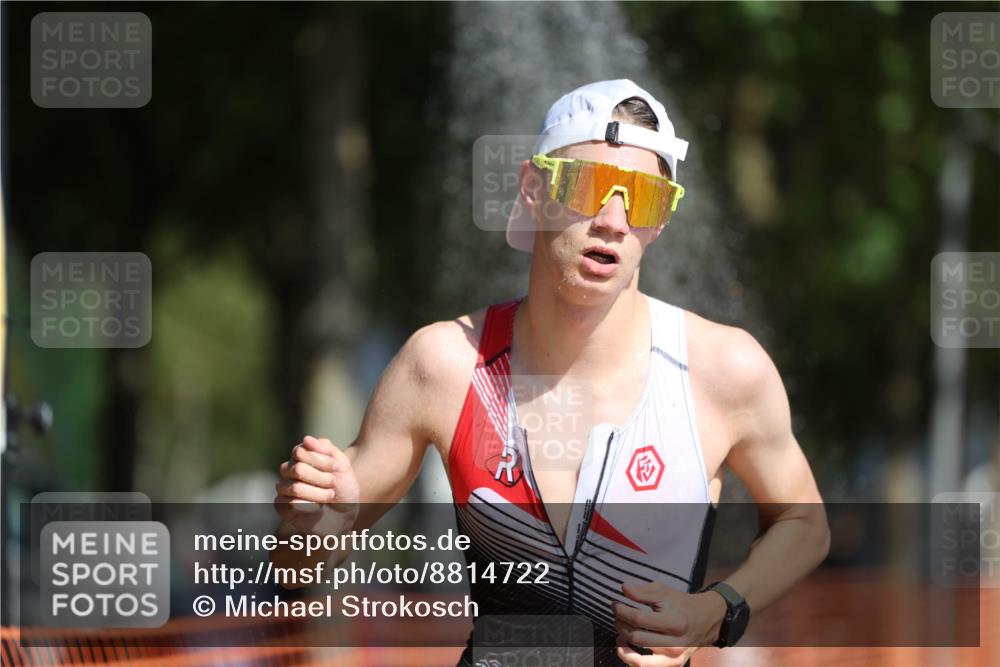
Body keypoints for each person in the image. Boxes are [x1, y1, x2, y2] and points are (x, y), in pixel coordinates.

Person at [272, 79, 830, 667]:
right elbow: (297, 568)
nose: (613, 220)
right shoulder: (445, 364)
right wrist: (312, 525)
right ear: (534, 188)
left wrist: (716, 611)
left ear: (660, 221)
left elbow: (805, 523)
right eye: (588, 187)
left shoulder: (722, 369)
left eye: (642, 199)